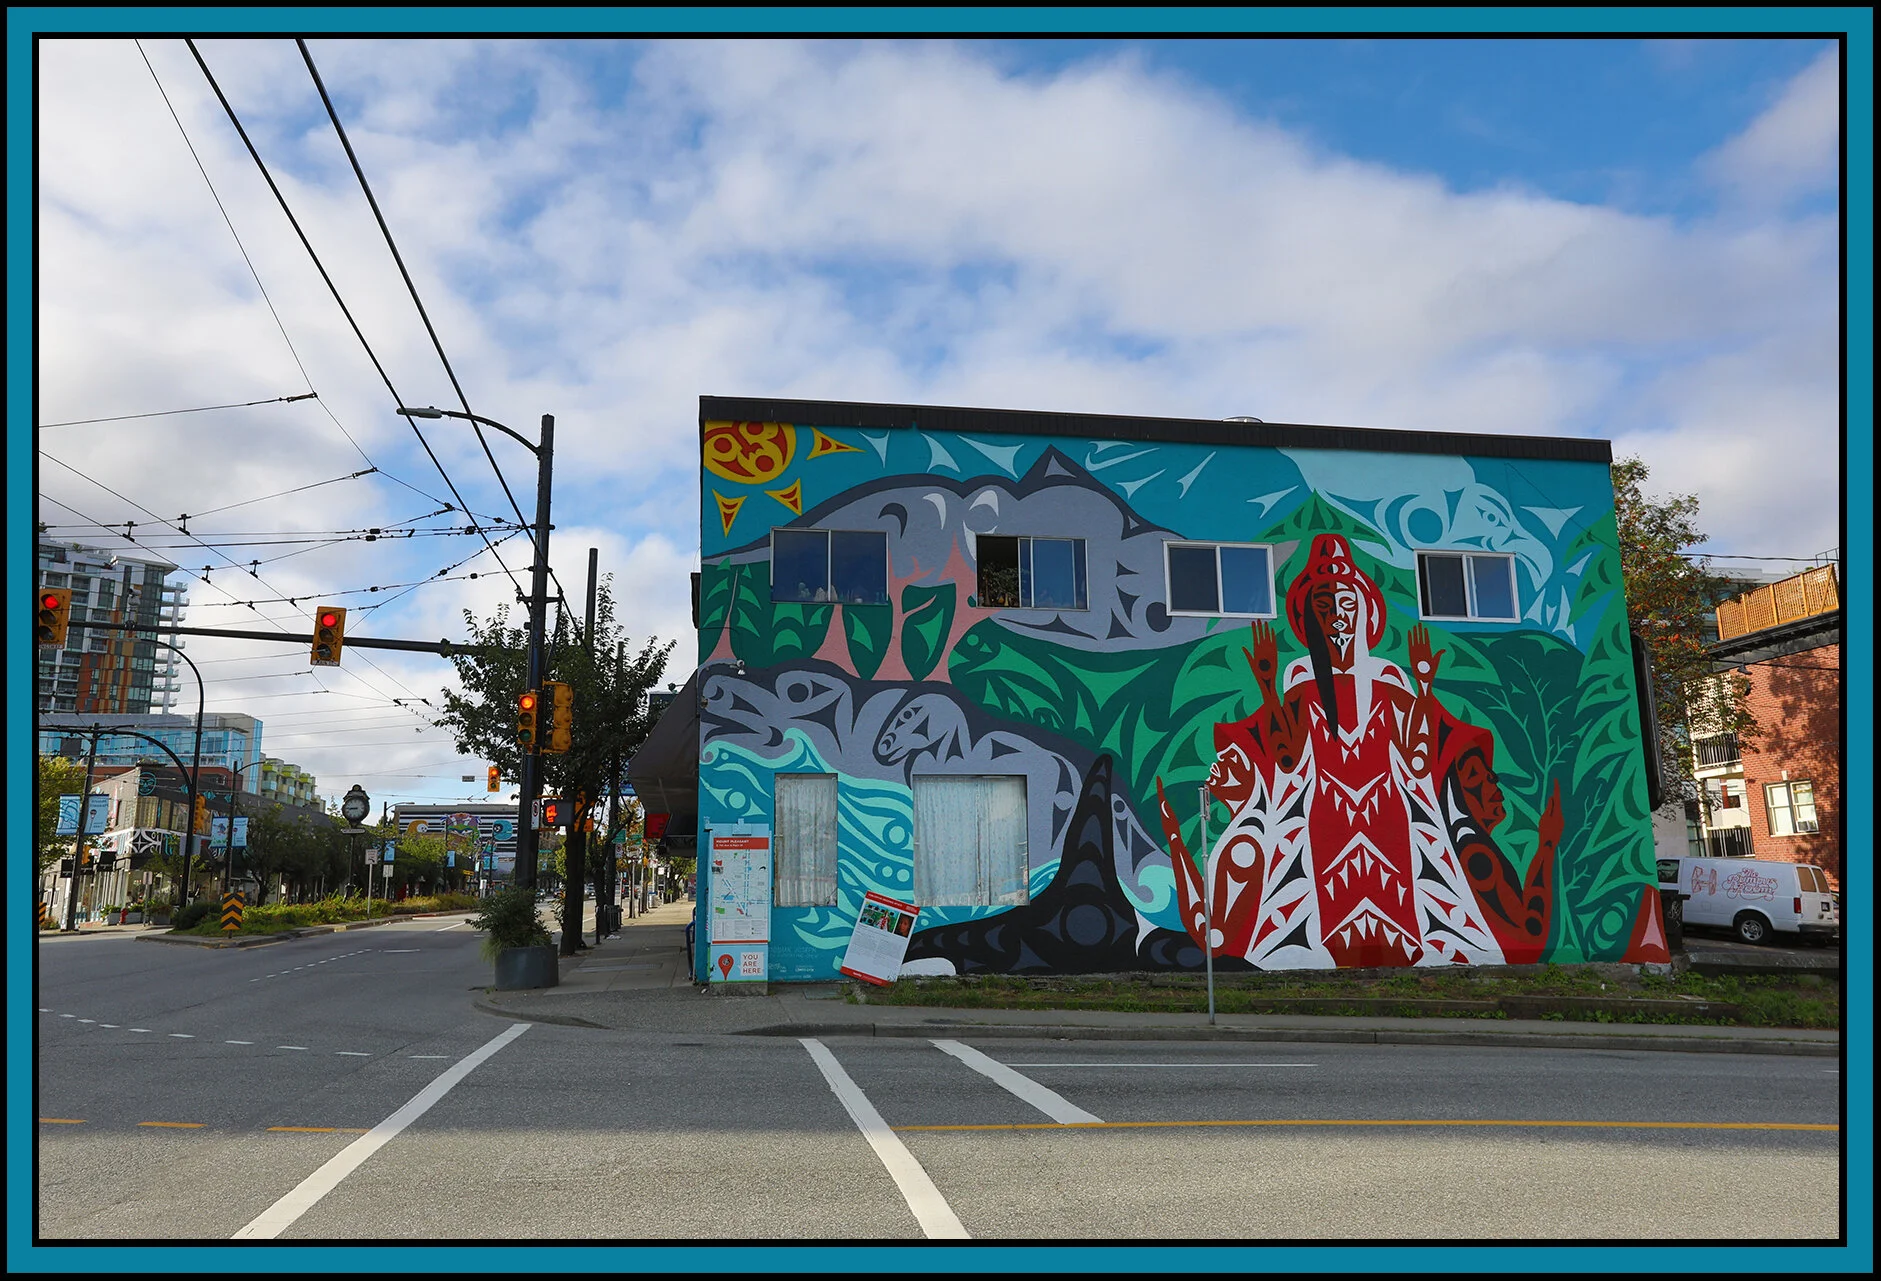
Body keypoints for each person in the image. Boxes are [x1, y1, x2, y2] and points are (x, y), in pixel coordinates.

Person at [1158, 533, 1558, 969]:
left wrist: (1423, 685)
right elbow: (1287, 759)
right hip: (1320, 817)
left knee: (1405, 904)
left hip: (1390, 813)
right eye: (1323, 606)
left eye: (1345, 603)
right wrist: (1269, 686)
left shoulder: (1389, 681)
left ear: (1365, 611)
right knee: (1315, 908)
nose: (1336, 617)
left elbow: (1419, 761)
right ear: (1307, 616)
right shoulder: (1301, 682)